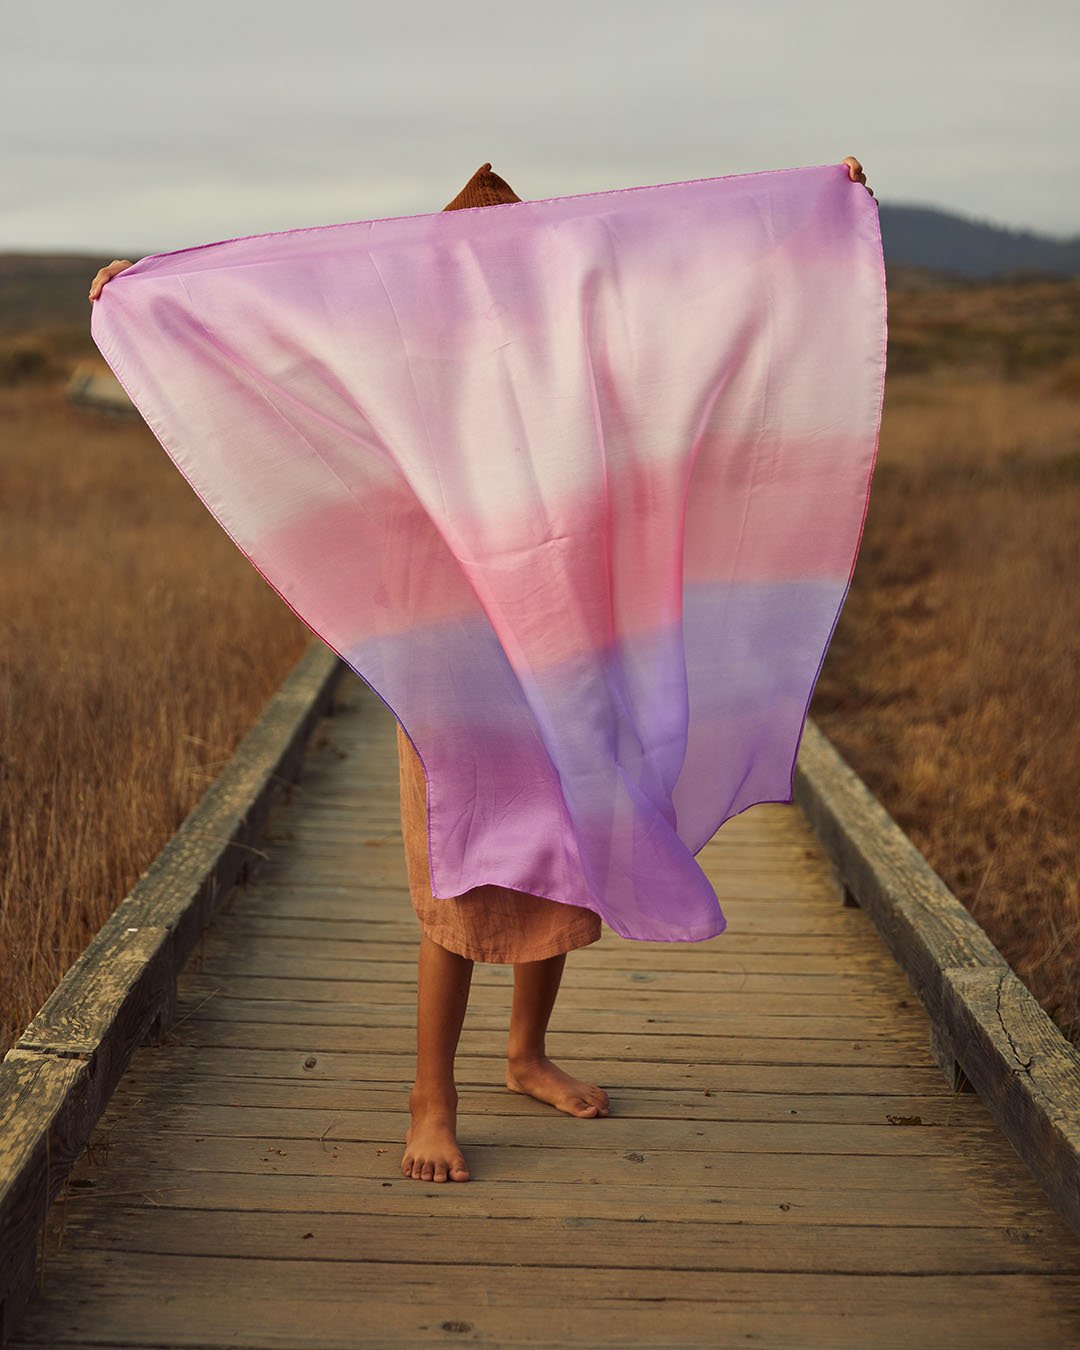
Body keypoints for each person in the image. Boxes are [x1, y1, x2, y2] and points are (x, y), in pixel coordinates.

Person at [89, 155, 876, 1185]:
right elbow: (273, 332)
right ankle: (432, 1095)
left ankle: (526, 1054)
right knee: (464, 876)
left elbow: (701, 296)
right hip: (455, 672)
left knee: (563, 852)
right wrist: (145, 295)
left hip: (571, 655)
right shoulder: (406, 368)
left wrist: (809, 210)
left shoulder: (582, 368)